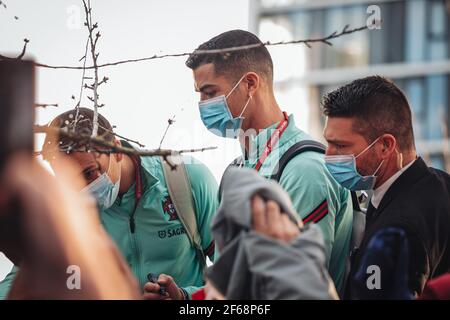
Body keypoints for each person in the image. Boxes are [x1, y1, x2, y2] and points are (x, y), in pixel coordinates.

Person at [186, 30, 353, 294]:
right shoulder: (238, 168)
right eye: (200, 95)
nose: (202, 105)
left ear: (250, 83)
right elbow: (228, 280)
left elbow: (298, 286)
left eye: (210, 93)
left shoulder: (305, 169)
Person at [0, 108, 219, 300]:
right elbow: (23, 276)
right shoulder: (66, 211)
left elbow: (235, 274)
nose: (83, 189)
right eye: (70, 181)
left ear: (116, 150)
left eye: (89, 172)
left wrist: (184, 296)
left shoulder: (187, 180)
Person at [321, 75, 450, 297]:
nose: (328, 155)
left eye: (340, 146)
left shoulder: (397, 232)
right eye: (328, 142)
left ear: (385, 146)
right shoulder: (440, 183)